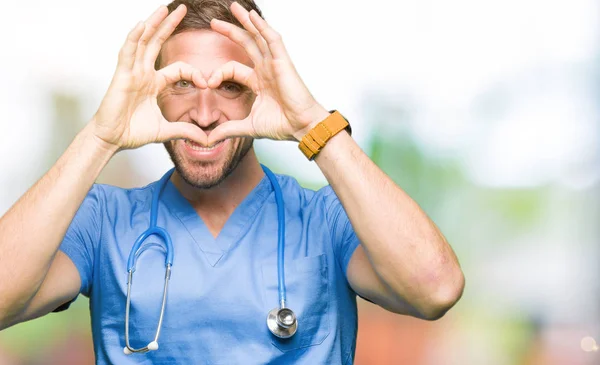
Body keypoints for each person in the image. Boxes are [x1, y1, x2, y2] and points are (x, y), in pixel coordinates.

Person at [0, 0, 465, 363]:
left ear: (260, 92)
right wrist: (100, 138)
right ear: (152, 94)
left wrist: (310, 125)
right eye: (181, 84)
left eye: (230, 85)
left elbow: (434, 289)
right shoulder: (103, 221)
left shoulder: (327, 220)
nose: (204, 115)